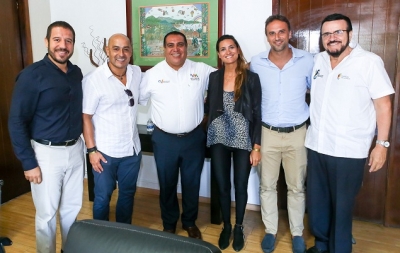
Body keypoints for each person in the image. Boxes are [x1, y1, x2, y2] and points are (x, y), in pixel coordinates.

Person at [305, 13, 394, 253]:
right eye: (327, 34)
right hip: (316, 146)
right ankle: (322, 246)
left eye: (338, 32)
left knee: (342, 210)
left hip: (348, 151)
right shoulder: (319, 61)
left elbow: (383, 104)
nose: (332, 38)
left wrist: (381, 145)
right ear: (322, 38)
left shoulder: (369, 61)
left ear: (350, 34)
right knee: (317, 206)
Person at [8, 21, 84, 253]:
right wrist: (29, 163)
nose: (63, 45)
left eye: (68, 40)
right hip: (46, 155)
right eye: (57, 40)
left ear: (73, 44)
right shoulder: (32, 76)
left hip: (75, 150)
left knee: (72, 209)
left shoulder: (76, 72)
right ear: (47, 42)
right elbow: (16, 121)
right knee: (47, 214)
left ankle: (68, 250)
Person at [139, 31, 216, 239]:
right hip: (164, 140)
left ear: (186, 47)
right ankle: (169, 223)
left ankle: (190, 222)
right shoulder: (152, 75)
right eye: (171, 45)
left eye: (180, 44)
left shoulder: (201, 70)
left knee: (192, 183)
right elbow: (135, 99)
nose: (176, 49)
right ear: (164, 49)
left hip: (193, 139)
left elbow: (225, 78)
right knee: (167, 183)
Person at [250, 15, 313, 253]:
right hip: (267, 134)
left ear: (289, 33)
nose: (277, 37)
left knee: (296, 187)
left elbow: (317, 93)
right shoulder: (256, 62)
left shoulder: (307, 60)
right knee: (267, 186)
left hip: (298, 133)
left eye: (281, 32)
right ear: (267, 36)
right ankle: (270, 231)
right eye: (272, 33)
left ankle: (297, 233)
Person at [205, 35, 261, 251]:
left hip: (242, 137)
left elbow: (257, 113)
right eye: (222, 49)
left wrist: (256, 146)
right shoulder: (214, 77)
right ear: (218, 54)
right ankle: (226, 226)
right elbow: (210, 106)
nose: (227, 52)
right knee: (222, 184)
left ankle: (238, 227)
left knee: (240, 184)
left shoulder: (251, 78)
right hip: (218, 136)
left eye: (231, 47)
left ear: (237, 49)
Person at [82, 34, 142, 224]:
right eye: (116, 48)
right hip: (105, 153)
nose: (121, 54)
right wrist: (91, 151)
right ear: (107, 51)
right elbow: (85, 117)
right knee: (102, 197)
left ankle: (123, 233)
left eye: (126, 49)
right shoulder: (93, 80)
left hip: (132, 150)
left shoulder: (136, 72)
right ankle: (101, 237)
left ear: (131, 52)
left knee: (127, 194)